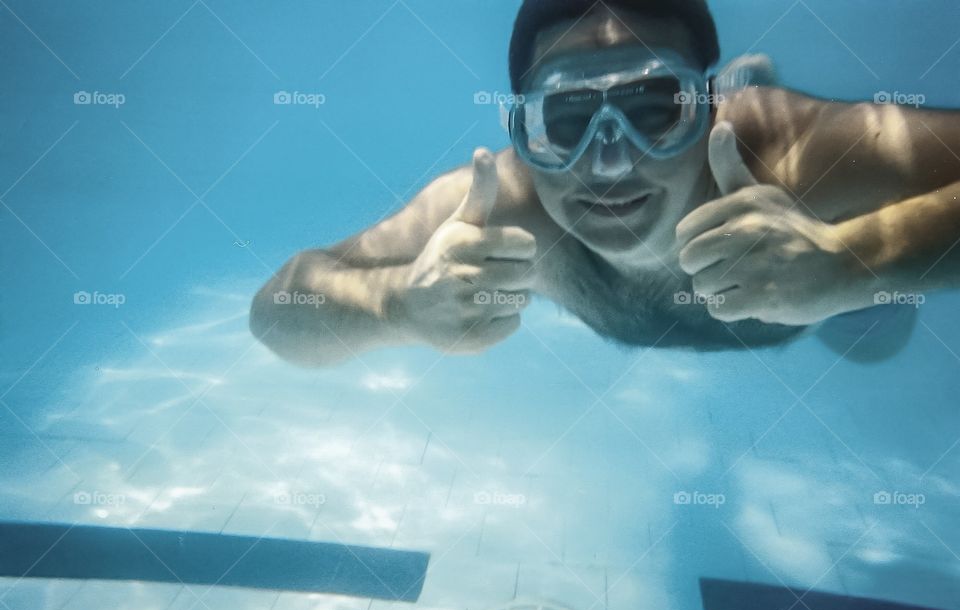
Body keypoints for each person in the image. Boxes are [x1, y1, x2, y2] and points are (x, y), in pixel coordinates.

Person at [250, 0, 960, 367]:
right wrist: (396, 308)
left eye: (656, 108)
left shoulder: (805, 161)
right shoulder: (505, 209)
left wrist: (855, 264)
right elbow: (276, 310)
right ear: (524, 134)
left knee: (871, 343)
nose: (610, 161)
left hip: (843, 310)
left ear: (707, 110)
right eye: (567, 117)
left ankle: (752, 88)